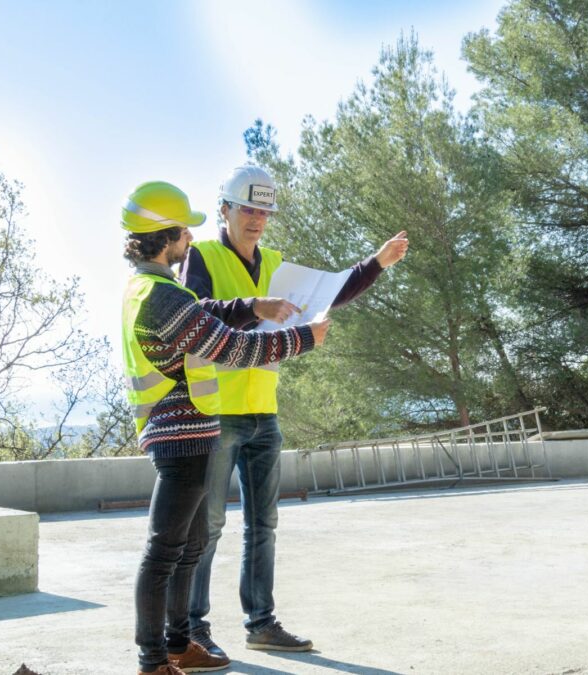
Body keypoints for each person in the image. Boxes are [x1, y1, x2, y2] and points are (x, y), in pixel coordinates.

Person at [180, 165, 408, 656]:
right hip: (216, 412)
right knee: (208, 525)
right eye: (248, 209)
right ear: (225, 210)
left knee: (264, 524)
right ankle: (193, 630)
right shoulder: (200, 255)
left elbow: (326, 293)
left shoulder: (276, 261)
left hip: (264, 411)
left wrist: (378, 263)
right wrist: (254, 306)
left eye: (264, 211)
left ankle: (260, 624)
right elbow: (195, 314)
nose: (258, 219)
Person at [120, 180, 329, 674]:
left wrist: (255, 306)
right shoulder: (162, 296)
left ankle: (180, 643)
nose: (190, 239)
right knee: (163, 553)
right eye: (184, 232)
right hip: (179, 438)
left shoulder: (157, 290)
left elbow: (206, 313)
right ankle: (153, 662)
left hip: (192, 433)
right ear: (166, 235)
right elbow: (232, 347)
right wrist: (303, 338)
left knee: (190, 545)